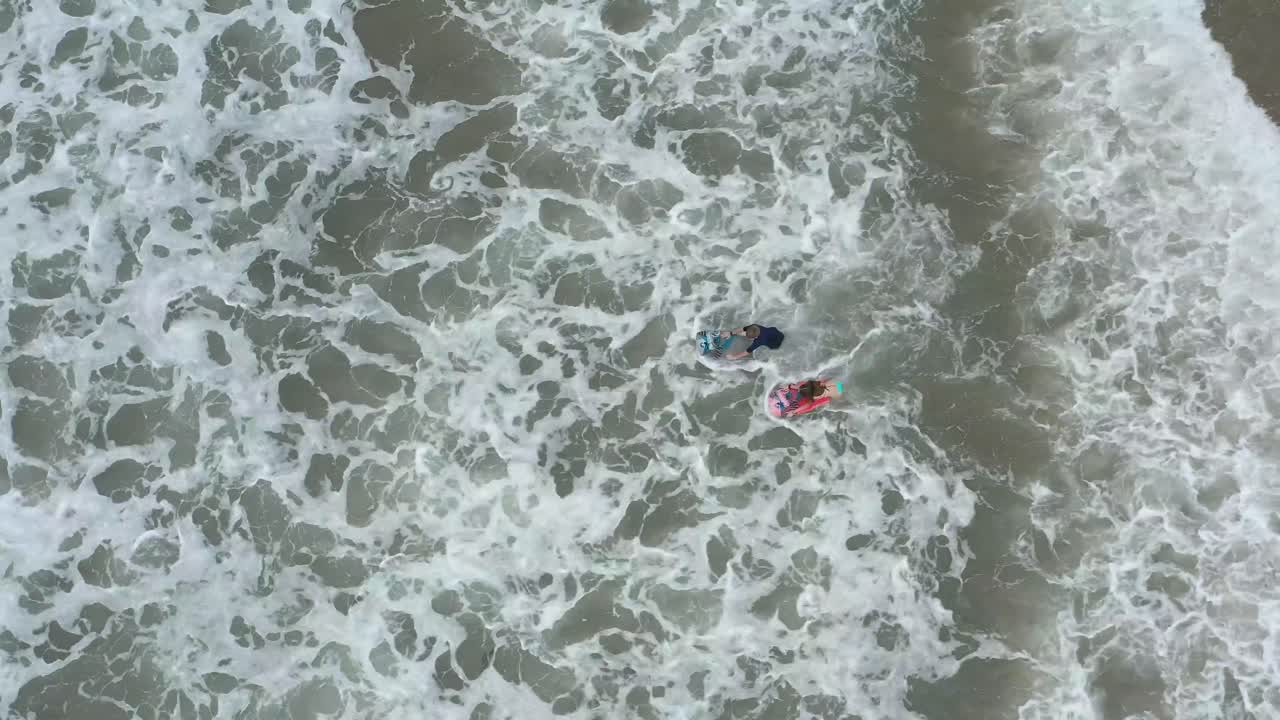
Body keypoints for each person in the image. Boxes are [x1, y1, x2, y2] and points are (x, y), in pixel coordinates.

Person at [772, 379, 843, 418]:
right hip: (837, 383)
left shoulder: (813, 397)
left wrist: (794, 412)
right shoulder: (816, 384)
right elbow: (802, 388)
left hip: (838, 390)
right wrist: (790, 387)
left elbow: (809, 404)